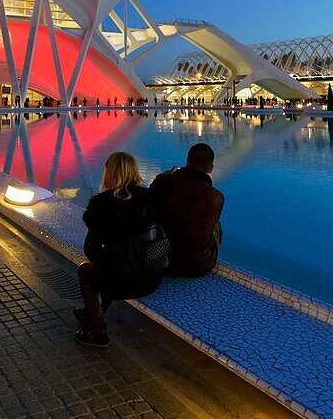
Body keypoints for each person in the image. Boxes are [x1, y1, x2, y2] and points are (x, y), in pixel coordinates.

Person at [75, 152, 167, 349]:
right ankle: (91, 312)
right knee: (113, 266)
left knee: (87, 271)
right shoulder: (148, 199)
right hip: (153, 277)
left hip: (125, 283)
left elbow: (91, 250)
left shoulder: (102, 205)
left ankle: (97, 330)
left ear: (108, 173)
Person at [149, 143, 225, 277]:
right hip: (198, 265)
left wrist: (165, 177)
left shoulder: (162, 182)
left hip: (160, 259)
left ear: (187, 161)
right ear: (210, 168)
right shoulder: (216, 197)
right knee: (215, 223)